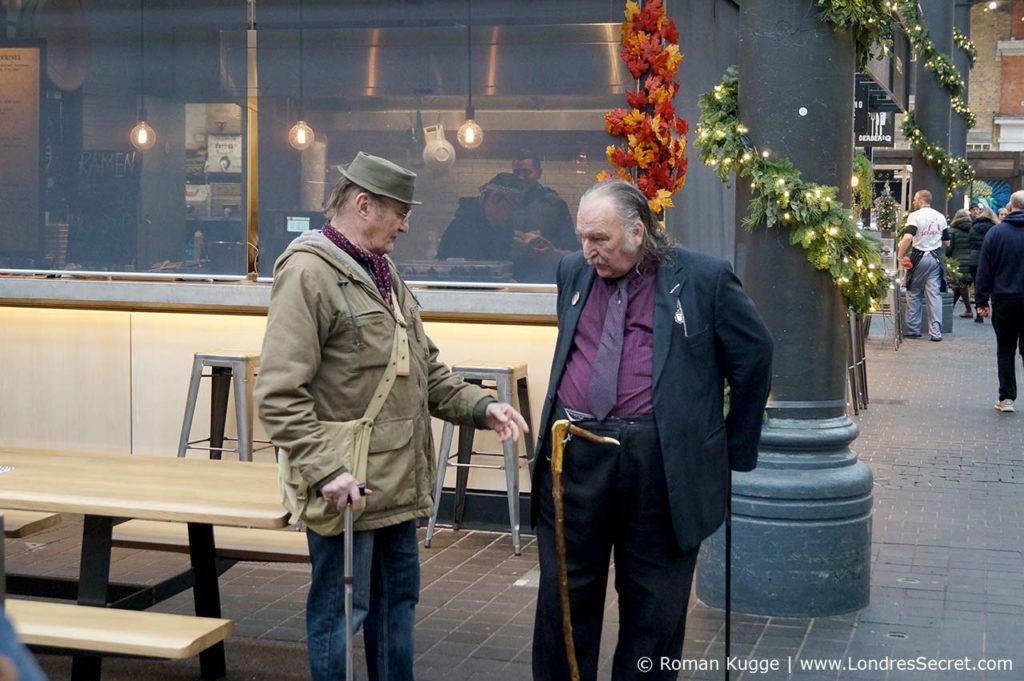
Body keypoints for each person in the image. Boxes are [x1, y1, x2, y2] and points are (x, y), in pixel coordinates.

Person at [256, 151, 529, 681]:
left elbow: (425, 369)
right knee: (341, 615)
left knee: (396, 608)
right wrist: (327, 471)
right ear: (363, 204)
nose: (406, 225)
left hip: (399, 485)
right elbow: (278, 394)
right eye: (399, 212)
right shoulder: (309, 273)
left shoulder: (383, 272)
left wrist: (482, 406)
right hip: (348, 486)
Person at [531, 179, 773, 681]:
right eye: (582, 237)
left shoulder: (704, 278)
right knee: (563, 604)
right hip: (573, 458)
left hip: (658, 465)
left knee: (654, 609)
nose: (587, 250)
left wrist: (727, 451)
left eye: (599, 238)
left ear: (638, 232)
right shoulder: (573, 271)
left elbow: (754, 358)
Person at [974, 190, 1024, 413]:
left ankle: (1006, 398)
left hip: (1004, 299)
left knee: (1005, 349)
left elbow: (985, 270)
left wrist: (982, 300)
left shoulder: (996, 233)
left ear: (1011, 206)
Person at [436, 172, 525, 264]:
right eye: (513, 205)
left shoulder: (504, 229)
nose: (514, 212)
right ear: (496, 198)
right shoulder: (462, 229)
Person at [898, 189, 950, 341]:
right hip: (935, 258)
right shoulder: (940, 217)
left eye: (914, 199)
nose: (913, 202)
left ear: (920, 201)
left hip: (918, 257)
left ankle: (913, 329)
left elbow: (908, 237)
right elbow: (947, 242)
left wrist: (901, 255)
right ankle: (936, 332)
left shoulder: (915, 216)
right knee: (934, 295)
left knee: (914, 292)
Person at [512, 150, 578, 252]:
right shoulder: (506, 201)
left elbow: (569, 245)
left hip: (544, 264)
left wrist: (544, 240)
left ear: (539, 173)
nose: (520, 177)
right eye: (517, 172)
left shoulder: (555, 204)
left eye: (526, 172)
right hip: (511, 265)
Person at [969, 200, 999, 325]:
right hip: (991, 259)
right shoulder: (995, 228)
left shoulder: (973, 227)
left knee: (978, 285)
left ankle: (979, 312)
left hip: (975, 258)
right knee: (994, 285)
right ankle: (994, 310)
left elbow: (970, 241)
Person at [946, 208, 973, 318]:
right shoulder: (972, 229)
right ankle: (950, 309)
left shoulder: (952, 231)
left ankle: (968, 310)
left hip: (957, 262)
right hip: (969, 260)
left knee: (961, 285)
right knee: (959, 286)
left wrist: (946, 258)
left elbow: (949, 248)